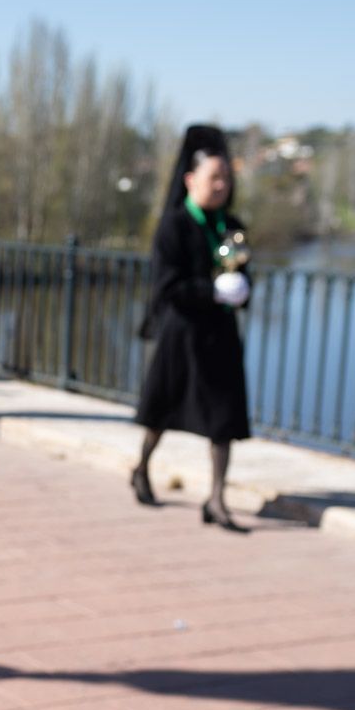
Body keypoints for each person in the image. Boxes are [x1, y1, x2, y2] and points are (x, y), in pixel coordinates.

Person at [133, 124, 253, 531]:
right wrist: (213, 291)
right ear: (190, 180)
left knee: (223, 422)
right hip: (180, 334)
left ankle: (217, 498)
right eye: (213, 178)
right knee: (161, 412)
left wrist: (241, 290)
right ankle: (142, 466)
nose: (221, 186)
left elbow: (243, 274)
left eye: (225, 178)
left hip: (219, 337)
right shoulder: (174, 226)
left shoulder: (231, 226)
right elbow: (168, 286)